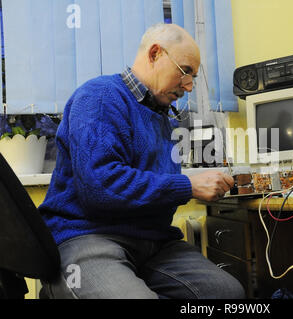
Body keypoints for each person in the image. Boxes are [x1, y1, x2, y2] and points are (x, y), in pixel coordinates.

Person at [39, 23, 245, 299]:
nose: (189, 85)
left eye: (193, 77)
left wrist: (200, 186)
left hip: (152, 243)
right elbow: (100, 186)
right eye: (185, 71)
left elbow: (152, 188)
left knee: (227, 293)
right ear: (155, 54)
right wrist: (188, 186)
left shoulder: (160, 115)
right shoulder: (100, 96)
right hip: (88, 236)